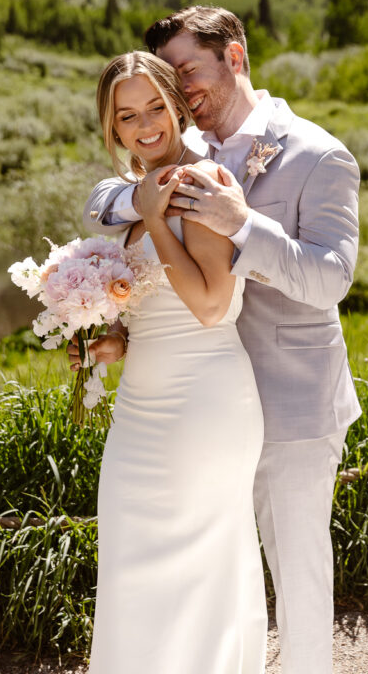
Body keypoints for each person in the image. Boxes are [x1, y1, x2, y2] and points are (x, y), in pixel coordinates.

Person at [84, 6, 361, 674]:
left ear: (233, 56)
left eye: (186, 73)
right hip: (193, 396)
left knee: (295, 583)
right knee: (208, 571)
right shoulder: (186, 150)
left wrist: (244, 226)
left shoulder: (318, 153)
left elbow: (331, 279)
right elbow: (105, 197)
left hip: (289, 398)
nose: (178, 95)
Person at [73, 50, 267, 674]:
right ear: (113, 127)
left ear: (179, 105)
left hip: (203, 406)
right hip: (140, 410)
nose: (146, 125)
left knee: (196, 577)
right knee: (132, 567)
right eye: (127, 115)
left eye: (156, 106)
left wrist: (157, 223)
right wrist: (114, 340)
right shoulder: (137, 196)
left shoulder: (205, 184)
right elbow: (159, 307)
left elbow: (212, 306)